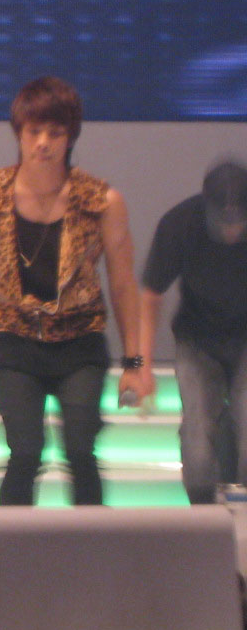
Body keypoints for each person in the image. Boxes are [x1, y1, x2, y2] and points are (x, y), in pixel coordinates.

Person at [0, 76, 139, 507]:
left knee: (81, 450)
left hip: (80, 340)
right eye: (34, 131)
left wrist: (134, 360)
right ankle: (11, 544)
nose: (43, 143)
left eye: (55, 132)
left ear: (70, 136)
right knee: (24, 451)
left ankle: (90, 543)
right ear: (19, 133)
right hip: (14, 339)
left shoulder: (101, 201)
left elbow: (123, 283)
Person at [133, 159, 247, 504]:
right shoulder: (180, 224)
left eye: (238, 222)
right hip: (197, 338)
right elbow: (151, 296)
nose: (231, 231)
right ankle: (202, 511)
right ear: (206, 208)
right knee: (197, 431)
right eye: (223, 223)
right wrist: (141, 366)